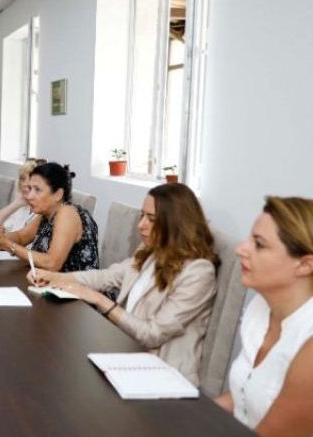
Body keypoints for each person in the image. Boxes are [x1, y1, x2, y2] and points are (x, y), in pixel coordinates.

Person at [28, 183, 218, 385]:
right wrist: (52, 277)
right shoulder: (150, 251)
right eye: (142, 216)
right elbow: (106, 277)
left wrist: (99, 299)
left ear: (176, 224)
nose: (141, 225)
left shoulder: (198, 272)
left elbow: (152, 334)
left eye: (152, 219)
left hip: (164, 375)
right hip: (129, 356)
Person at [215, 197, 313, 436]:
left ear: (305, 265)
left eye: (259, 244)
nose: (241, 249)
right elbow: (244, 396)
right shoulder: (260, 308)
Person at [0, 162, 97, 270]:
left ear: (58, 194)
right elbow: (22, 237)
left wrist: (4, 243)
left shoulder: (67, 214)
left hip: (73, 292)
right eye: (30, 188)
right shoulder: (47, 213)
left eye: (37, 190)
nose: (29, 196)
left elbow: (51, 263)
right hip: (45, 284)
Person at [0, 158, 47, 233]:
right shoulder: (22, 206)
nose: (24, 184)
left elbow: (22, 238)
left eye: (30, 179)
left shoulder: (42, 212)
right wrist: (17, 203)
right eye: (22, 179)